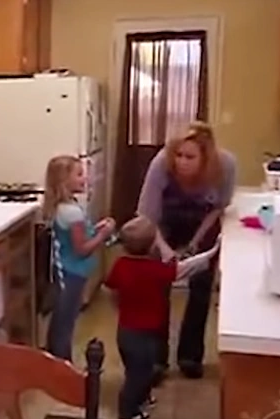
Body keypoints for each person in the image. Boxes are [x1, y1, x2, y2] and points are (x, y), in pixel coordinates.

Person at [137, 121, 236, 381]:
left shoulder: (225, 165)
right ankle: (156, 359)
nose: (181, 162)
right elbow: (147, 215)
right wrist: (165, 250)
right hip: (163, 222)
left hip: (203, 221)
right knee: (156, 285)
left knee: (201, 285)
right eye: (178, 155)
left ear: (206, 157)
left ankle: (190, 357)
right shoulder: (161, 163)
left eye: (190, 157)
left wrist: (195, 243)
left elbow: (218, 208)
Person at [105, 215, 220, 419]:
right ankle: (128, 413)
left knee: (134, 370)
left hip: (125, 332)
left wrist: (120, 308)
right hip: (147, 335)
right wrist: (213, 251)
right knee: (140, 375)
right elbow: (187, 268)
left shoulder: (120, 265)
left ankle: (142, 400)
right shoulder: (156, 270)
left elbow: (111, 290)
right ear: (152, 247)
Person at [42, 155, 115, 362]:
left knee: (59, 320)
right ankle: (63, 366)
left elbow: (76, 237)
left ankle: (52, 361)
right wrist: (103, 235)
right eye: (80, 174)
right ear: (64, 181)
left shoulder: (63, 206)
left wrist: (96, 229)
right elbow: (82, 249)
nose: (85, 178)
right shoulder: (72, 212)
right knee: (65, 323)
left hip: (64, 270)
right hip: (72, 274)